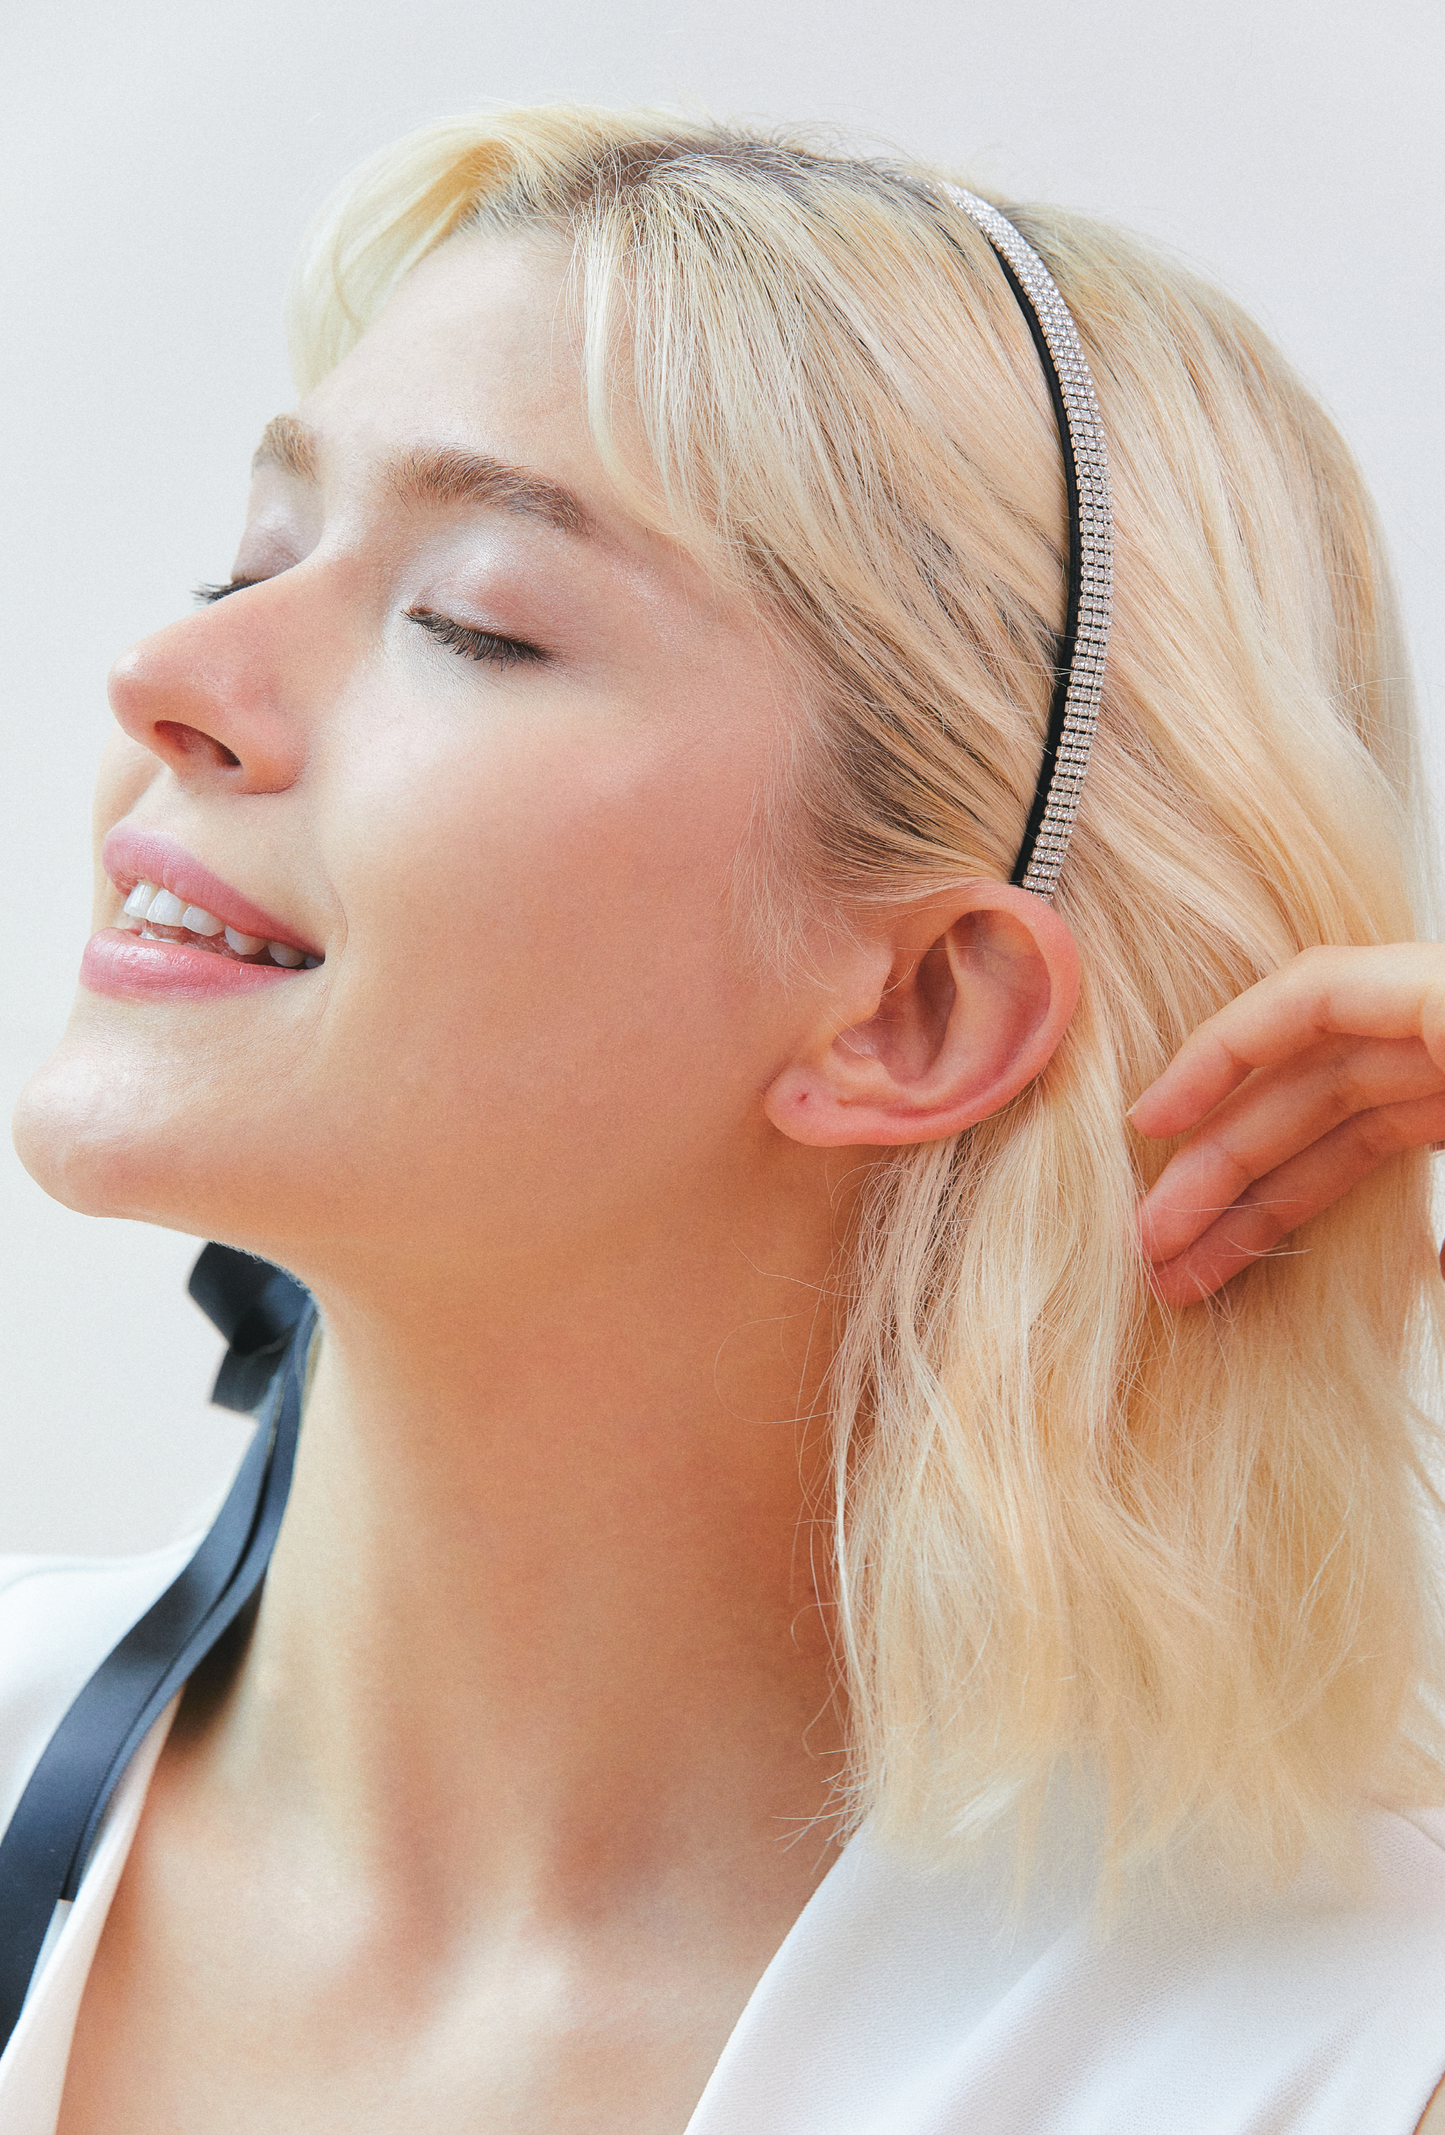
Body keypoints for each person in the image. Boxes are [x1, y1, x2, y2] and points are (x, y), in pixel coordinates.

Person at [4, 105, 1445, 2133]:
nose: (168, 673)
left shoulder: (1345, 2060)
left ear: (918, 1008)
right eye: (247, 556)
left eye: (474, 619)